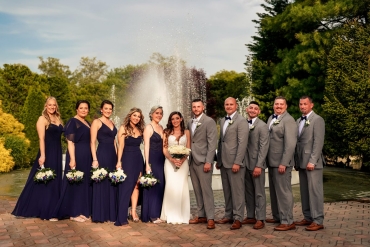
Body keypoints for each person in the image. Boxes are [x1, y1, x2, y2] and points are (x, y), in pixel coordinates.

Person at [12, 97, 63, 220]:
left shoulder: (58, 119)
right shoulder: (42, 119)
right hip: (48, 151)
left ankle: (52, 208)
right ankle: (47, 211)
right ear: (45, 106)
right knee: (45, 179)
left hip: (57, 151)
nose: (52, 107)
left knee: (54, 179)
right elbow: (41, 138)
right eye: (50, 105)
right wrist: (43, 155)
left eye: (54, 105)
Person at [52, 100, 93, 222]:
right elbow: (70, 142)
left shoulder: (87, 122)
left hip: (87, 155)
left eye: (86, 108)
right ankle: (73, 213)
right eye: (81, 108)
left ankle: (81, 210)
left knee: (83, 183)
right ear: (77, 109)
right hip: (76, 154)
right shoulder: (72, 121)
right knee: (74, 183)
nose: (84, 110)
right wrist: (73, 159)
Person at [216, 97, 249, 230]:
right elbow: (221, 141)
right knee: (227, 191)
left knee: (237, 191)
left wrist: (237, 162)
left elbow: (242, 144)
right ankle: (228, 215)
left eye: (231, 104)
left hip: (235, 162)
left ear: (236, 105)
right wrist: (218, 160)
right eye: (226, 104)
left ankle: (238, 218)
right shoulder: (223, 120)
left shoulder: (241, 121)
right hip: (224, 162)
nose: (229, 106)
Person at [266, 96, 297, 231]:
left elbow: (290, 144)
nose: (278, 106)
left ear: (286, 106)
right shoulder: (271, 118)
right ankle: (278, 216)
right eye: (276, 104)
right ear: (273, 105)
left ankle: (288, 221)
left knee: (284, 192)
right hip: (271, 162)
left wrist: (284, 162)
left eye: (281, 104)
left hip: (281, 163)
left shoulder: (288, 120)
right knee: (274, 192)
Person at [294, 96, 325, 231]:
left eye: (305, 104)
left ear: (311, 105)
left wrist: (312, 160)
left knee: (315, 192)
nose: (302, 106)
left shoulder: (317, 120)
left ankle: (318, 220)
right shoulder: (298, 121)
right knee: (304, 191)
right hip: (301, 162)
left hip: (313, 163)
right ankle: (308, 217)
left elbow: (318, 142)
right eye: (300, 104)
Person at [188, 99, 217, 230]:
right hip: (192, 160)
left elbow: (212, 143)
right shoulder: (189, 121)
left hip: (204, 160)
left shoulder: (209, 121)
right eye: (194, 107)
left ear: (203, 107)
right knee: (197, 190)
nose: (196, 108)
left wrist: (208, 161)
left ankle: (210, 218)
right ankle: (201, 215)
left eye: (198, 106)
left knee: (206, 190)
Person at [115, 107, 145, 226]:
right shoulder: (123, 128)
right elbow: (120, 146)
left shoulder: (140, 129)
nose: (136, 118)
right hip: (127, 159)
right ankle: (122, 215)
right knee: (126, 186)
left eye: (138, 116)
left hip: (138, 158)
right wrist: (119, 161)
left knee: (136, 186)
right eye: (134, 115)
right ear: (130, 116)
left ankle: (133, 212)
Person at [242, 101, 269, 229]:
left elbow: (264, 147)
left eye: (255, 109)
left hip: (257, 164)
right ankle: (251, 216)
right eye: (251, 108)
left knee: (259, 192)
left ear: (259, 112)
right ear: (247, 109)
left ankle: (261, 218)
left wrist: (259, 165)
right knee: (248, 192)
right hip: (245, 163)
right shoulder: (243, 124)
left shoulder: (262, 126)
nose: (252, 110)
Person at [160, 111, 191, 224]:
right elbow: (164, 149)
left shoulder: (186, 132)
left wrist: (182, 160)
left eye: (177, 118)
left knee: (182, 186)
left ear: (181, 119)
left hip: (183, 164)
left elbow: (188, 148)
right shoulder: (166, 132)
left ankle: (183, 214)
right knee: (171, 186)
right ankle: (169, 213)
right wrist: (172, 159)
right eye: (172, 119)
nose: (175, 121)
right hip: (169, 162)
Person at [90, 100, 117, 223]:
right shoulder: (97, 122)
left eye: (110, 109)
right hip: (102, 153)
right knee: (101, 182)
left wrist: (118, 159)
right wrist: (95, 159)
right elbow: (92, 142)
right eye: (106, 108)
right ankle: (100, 214)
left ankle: (111, 214)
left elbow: (115, 142)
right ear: (101, 109)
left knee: (112, 183)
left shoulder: (112, 122)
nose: (108, 111)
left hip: (113, 155)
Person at [141, 106, 165, 223]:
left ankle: (158, 212)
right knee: (152, 185)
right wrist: (147, 164)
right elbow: (146, 147)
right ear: (151, 114)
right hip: (152, 159)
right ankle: (151, 215)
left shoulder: (161, 127)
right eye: (156, 113)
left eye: (160, 113)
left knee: (160, 185)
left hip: (162, 160)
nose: (159, 115)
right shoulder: (148, 127)